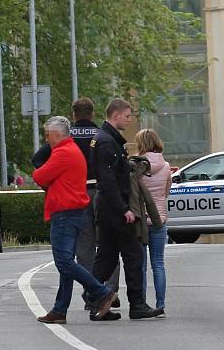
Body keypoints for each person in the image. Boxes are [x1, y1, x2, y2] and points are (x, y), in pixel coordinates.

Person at [31, 98, 121, 309]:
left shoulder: (64, 140)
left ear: (73, 115)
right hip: (101, 191)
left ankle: (94, 293)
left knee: (83, 248)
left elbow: (37, 161)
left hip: (75, 195)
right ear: (92, 113)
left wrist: (53, 181)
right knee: (107, 244)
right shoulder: (101, 134)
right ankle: (110, 289)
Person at [90, 98, 162, 320]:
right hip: (115, 210)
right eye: (128, 116)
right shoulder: (106, 142)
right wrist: (124, 209)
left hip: (108, 208)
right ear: (116, 115)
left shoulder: (105, 139)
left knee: (107, 258)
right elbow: (108, 180)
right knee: (133, 255)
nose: (130, 120)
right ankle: (137, 304)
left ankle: (95, 301)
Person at [136, 129, 171, 313]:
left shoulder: (136, 166)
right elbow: (166, 192)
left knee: (140, 265)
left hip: (141, 220)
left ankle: (141, 303)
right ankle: (161, 304)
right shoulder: (165, 166)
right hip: (159, 219)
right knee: (158, 263)